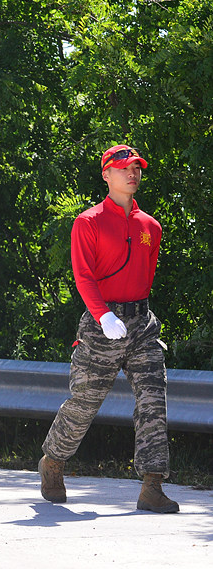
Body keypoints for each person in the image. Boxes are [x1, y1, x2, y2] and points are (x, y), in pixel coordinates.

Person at [39, 144, 178, 513]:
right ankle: (53, 461)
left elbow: (145, 276)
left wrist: (136, 316)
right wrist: (102, 315)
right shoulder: (88, 222)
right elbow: (83, 276)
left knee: (153, 399)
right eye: (123, 168)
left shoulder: (151, 226)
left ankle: (152, 485)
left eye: (136, 168)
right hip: (103, 323)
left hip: (141, 323)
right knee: (85, 402)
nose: (131, 174)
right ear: (106, 174)